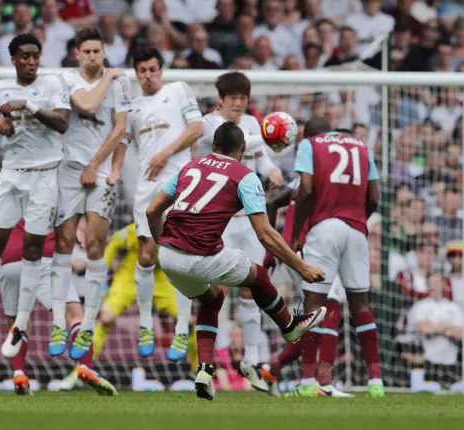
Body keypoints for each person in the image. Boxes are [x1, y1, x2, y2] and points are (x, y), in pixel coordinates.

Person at [146, 121, 327, 401]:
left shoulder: (189, 167)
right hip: (200, 255)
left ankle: (205, 370)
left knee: (211, 298)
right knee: (257, 275)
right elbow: (266, 234)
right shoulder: (244, 175)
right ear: (243, 148)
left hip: (168, 255)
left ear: (214, 146)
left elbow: (152, 209)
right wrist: (301, 267)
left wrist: (163, 244)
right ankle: (290, 326)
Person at [0, 33, 71, 359]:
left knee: (33, 251)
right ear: (14, 59)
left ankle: (20, 325)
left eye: (35, 55)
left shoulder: (52, 84)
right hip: (10, 175)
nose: (31, 61)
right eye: (25, 56)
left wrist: (29, 106)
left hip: (45, 176)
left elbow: (62, 122)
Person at [0, 201, 117, 396]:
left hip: (9, 262)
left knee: (18, 323)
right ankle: (86, 366)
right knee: (74, 315)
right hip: (43, 258)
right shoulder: (50, 186)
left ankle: (19, 373)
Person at [197, 71, 283, 391]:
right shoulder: (206, 126)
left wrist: (272, 170)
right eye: (232, 98)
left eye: (243, 99)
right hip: (217, 220)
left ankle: (253, 361)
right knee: (214, 293)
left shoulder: (251, 126)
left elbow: (262, 158)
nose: (237, 104)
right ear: (220, 99)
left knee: (253, 288)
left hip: (246, 221)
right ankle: (211, 365)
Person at [290, 117, 384, 398]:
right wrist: (358, 221)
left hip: (324, 228)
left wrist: (296, 233)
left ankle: (308, 382)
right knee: (361, 304)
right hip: (356, 230)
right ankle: (376, 382)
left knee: (313, 304)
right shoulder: (362, 146)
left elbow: (305, 189)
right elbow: (375, 196)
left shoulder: (310, 145)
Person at [54, 27, 131, 360]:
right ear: (77, 54)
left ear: (103, 52)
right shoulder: (65, 80)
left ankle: (87, 325)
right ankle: (60, 321)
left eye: (97, 52)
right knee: (63, 244)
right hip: (69, 170)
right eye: (87, 52)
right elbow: (87, 104)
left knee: (96, 245)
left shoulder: (122, 85)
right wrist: (108, 78)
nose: (93, 57)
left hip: (97, 174)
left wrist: (104, 166)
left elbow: (120, 128)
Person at [123, 46, 204, 359]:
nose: (148, 76)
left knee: (181, 257)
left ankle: (183, 328)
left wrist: (166, 153)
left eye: (152, 69)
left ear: (161, 69)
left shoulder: (178, 90)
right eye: (142, 70)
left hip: (180, 182)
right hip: (147, 187)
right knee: (146, 256)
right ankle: (146, 323)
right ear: (136, 73)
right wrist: (115, 168)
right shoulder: (132, 107)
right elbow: (121, 139)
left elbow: (196, 128)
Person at [262, 176, 352, 398]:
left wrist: (270, 251)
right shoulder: (327, 179)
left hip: (292, 249)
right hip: (308, 249)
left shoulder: (304, 177)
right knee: (330, 308)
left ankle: (274, 368)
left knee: (316, 318)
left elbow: (272, 204)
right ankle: (320, 383)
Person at [92, 223, 198, 368]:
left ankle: (197, 369)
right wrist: (101, 284)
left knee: (188, 322)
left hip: (160, 279)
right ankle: (82, 368)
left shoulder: (176, 232)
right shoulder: (132, 230)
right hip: (129, 277)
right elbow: (112, 246)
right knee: (105, 319)